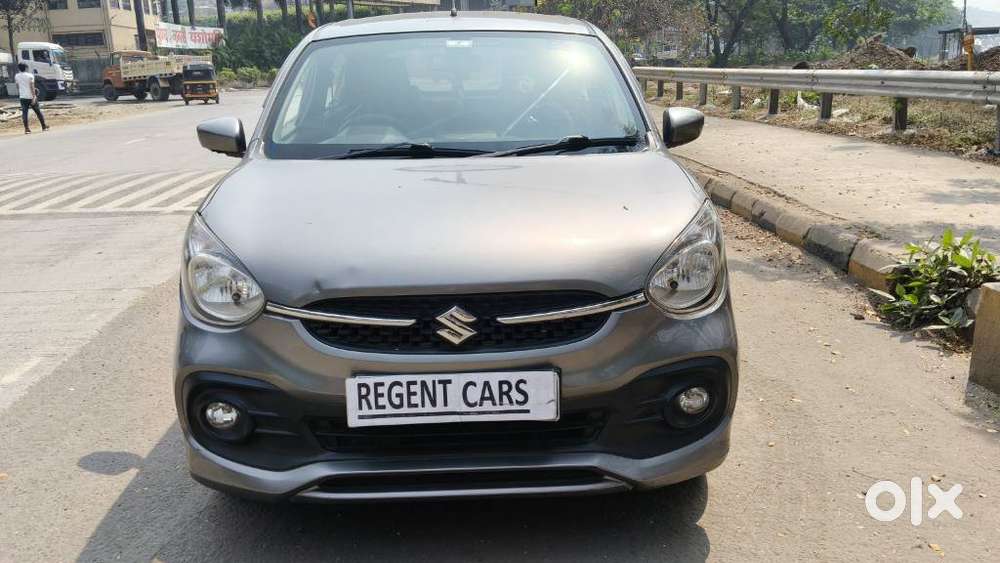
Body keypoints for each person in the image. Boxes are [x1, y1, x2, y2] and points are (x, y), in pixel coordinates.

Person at [14, 63, 49, 135]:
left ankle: (27, 129)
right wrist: (34, 96)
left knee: (24, 113)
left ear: (19, 68)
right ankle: (44, 126)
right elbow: (32, 86)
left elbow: (17, 86)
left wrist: (22, 91)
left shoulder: (16, 76)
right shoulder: (30, 75)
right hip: (30, 97)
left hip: (22, 97)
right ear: (26, 68)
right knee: (38, 112)